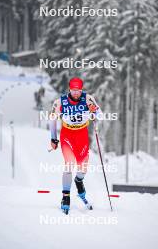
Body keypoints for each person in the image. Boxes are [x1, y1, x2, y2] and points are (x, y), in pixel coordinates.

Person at [49, 77, 101, 214]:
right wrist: (53, 139)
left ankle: (79, 181)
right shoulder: (60, 102)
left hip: (82, 135)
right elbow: (52, 120)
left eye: (79, 90)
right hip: (67, 135)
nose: (76, 93)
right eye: (73, 90)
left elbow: (99, 115)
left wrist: (94, 110)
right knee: (69, 163)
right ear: (69, 89)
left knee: (83, 165)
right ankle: (65, 196)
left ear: (82, 90)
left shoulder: (88, 98)